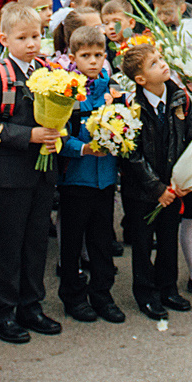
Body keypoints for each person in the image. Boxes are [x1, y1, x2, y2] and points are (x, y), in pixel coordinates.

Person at [0, 2, 59, 344]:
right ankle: (2, 312)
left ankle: (31, 305)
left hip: (42, 170)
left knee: (36, 240)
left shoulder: (47, 70)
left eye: (36, 36)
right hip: (11, 172)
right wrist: (29, 135)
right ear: (4, 37)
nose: (31, 43)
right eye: (22, 37)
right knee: (9, 243)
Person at [53, 26, 125, 323]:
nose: (93, 61)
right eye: (86, 56)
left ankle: (102, 294)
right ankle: (73, 295)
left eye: (98, 55)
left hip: (105, 178)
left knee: (101, 240)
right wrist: (83, 149)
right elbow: (59, 135)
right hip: (76, 179)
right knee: (72, 242)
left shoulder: (111, 87)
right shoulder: (67, 90)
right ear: (72, 57)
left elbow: (123, 123)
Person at [118, 41, 191, 320]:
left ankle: (168, 287)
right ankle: (145, 293)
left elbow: (189, 136)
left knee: (169, 238)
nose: (162, 64)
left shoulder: (180, 97)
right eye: (153, 64)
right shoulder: (131, 105)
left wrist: (184, 177)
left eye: (160, 58)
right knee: (143, 241)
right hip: (143, 190)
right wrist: (156, 188)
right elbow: (132, 154)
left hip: (174, 185)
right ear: (140, 79)